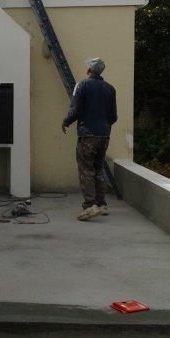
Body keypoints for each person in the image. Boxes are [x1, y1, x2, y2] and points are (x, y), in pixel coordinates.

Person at [61, 58, 117, 221]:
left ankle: (90, 206)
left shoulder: (82, 85)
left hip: (87, 135)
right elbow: (113, 116)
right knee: (98, 168)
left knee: (86, 169)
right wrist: (104, 126)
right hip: (104, 135)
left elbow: (76, 109)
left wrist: (66, 121)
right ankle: (101, 204)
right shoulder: (110, 89)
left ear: (89, 71)